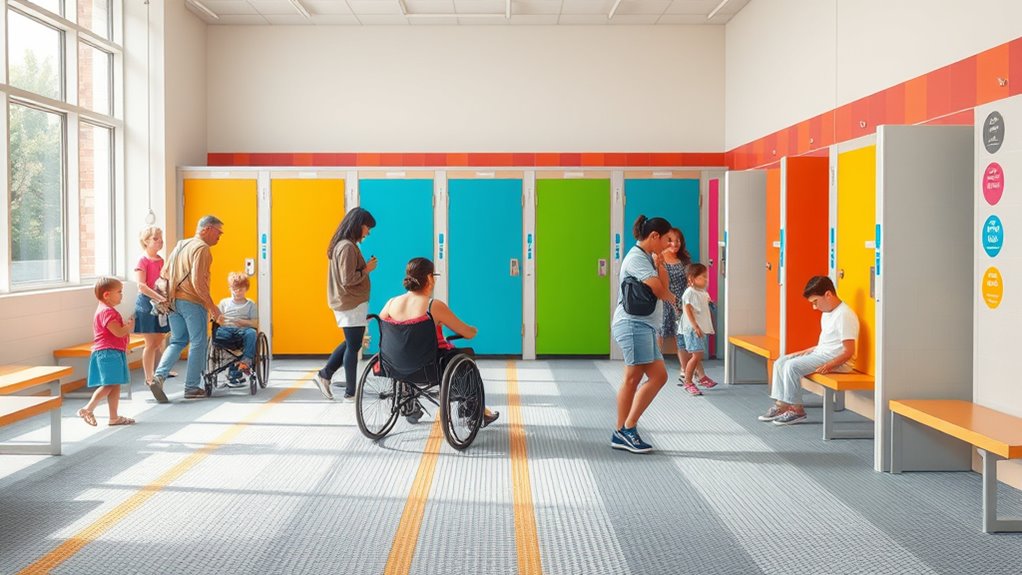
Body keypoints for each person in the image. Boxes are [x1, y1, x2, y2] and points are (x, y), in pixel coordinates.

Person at [378, 257, 499, 427]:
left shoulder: (391, 303)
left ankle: (408, 400)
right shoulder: (433, 306)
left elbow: (385, 324)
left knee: (409, 349)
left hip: (395, 365)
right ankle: (472, 410)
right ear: (429, 278)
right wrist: (473, 330)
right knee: (465, 358)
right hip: (429, 368)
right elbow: (467, 332)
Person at [611, 215, 678, 454]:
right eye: (667, 240)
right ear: (654, 236)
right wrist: (673, 300)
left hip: (643, 327)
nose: (669, 246)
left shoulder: (648, 258)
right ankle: (624, 429)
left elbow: (664, 283)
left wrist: (660, 263)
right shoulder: (636, 259)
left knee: (658, 376)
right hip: (632, 325)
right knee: (632, 379)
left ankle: (625, 429)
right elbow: (661, 291)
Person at [758, 275, 859, 425]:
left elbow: (849, 351)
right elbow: (824, 345)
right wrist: (802, 352)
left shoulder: (844, 315)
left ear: (828, 294)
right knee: (781, 361)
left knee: (792, 366)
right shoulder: (827, 313)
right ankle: (782, 405)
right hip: (822, 354)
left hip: (837, 360)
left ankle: (796, 410)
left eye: (815, 302)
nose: (814, 307)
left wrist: (830, 365)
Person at [149, 215, 226, 402]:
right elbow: (197, 282)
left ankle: (158, 377)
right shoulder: (202, 249)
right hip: (192, 302)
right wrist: (212, 307)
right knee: (199, 342)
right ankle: (192, 387)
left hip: (173, 302)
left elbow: (163, 275)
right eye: (218, 232)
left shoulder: (180, 245)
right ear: (207, 229)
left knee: (177, 341)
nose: (220, 236)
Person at [314, 208, 377, 401]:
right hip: (350, 302)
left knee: (353, 343)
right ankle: (350, 392)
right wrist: (367, 269)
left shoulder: (343, 245)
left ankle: (325, 374)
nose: (368, 232)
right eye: (367, 227)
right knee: (353, 346)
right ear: (359, 225)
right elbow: (347, 279)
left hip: (350, 302)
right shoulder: (347, 247)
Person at [77, 277, 136, 427]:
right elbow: (117, 332)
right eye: (119, 292)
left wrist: (124, 347)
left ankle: (114, 417)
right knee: (109, 385)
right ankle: (88, 408)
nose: (122, 295)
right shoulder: (107, 312)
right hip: (108, 352)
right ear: (107, 295)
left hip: (113, 351)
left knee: (114, 385)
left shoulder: (106, 310)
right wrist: (129, 326)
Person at [660, 227, 711, 386]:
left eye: (678, 240)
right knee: (660, 334)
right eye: (671, 240)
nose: (675, 244)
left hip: (684, 301)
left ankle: (688, 371)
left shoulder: (684, 259)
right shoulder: (659, 258)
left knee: (681, 336)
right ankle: (655, 370)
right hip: (665, 300)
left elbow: (692, 280)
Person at [133, 225, 171, 388]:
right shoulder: (142, 260)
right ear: (146, 241)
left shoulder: (161, 260)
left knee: (159, 340)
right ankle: (149, 377)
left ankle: (160, 371)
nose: (159, 241)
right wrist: (159, 297)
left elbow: (162, 281)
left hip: (160, 303)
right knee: (150, 343)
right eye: (155, 239)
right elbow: (141, 286)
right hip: (147, 304)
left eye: (160, 238)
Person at [216, 272, 259, 387]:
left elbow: (255, 323)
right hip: (227, 330)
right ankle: (233, 359)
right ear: (230, 288)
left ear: (246, 289)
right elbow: (216, 320)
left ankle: (245, 361)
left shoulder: (251, 305)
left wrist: (243, 322)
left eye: (240, 289)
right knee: (218, 334)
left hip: (243, 330)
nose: (237, 292)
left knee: (252, 333)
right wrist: (219, 319)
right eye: (234, 289)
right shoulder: (224, 303)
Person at [679, 263, 716, 395]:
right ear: (692, 279)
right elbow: (688, 309)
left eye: (707, 277)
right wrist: (695, 326)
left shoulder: (702, 292)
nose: (706, 280)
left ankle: (697, 378)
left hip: (699, 329)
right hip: (693, 330)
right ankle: (688, 381)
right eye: (702, 277)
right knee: (696, 356)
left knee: (697, 355)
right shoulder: (690, 292)